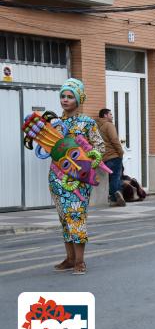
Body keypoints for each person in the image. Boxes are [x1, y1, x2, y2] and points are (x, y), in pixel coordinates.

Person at [51, 78, 105, 275]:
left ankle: (80, 261)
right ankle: (69, 258)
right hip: (56, 177)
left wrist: (86, 165)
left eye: (69, 97)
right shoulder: (56, 123)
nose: (65, 100)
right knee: (64, 218)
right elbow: (51, 148)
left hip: (78, 181)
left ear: (78, 99)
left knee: (76, 217)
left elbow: (100, 147)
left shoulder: (87, 123)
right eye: (62, 96)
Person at [96, 108, 126, 206]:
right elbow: (114, 139)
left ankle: (113, 199)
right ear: (105, 115)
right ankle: (116, 195)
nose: (112, 116)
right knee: (116, 177)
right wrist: (120, 152)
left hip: (104, 157)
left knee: (111, 178)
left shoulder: (98, 127)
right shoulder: (109, 125)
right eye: (110, 114)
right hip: (114, 155)